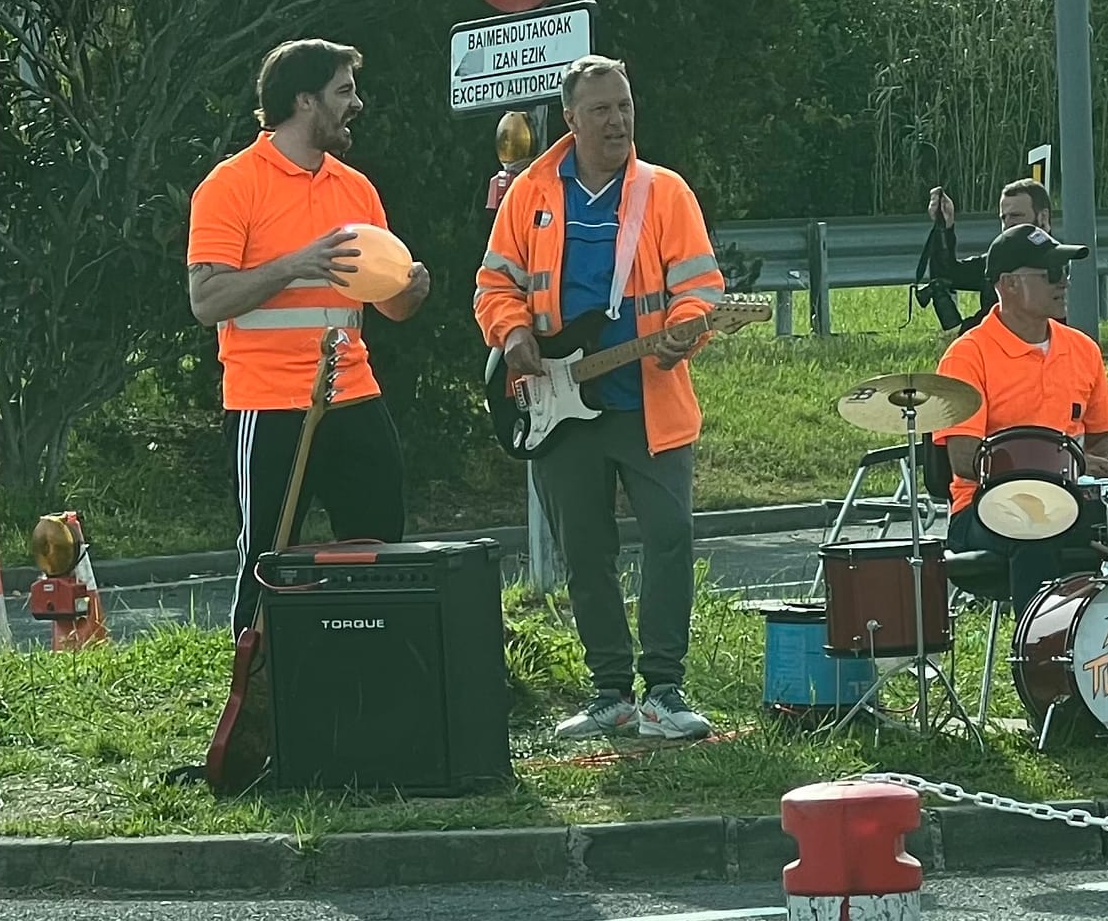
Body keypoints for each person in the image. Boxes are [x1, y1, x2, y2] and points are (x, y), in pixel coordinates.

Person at [474, 55, 725, 741]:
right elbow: (493, 285)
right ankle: (610, 690)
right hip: (557, 406)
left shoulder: (664, 192)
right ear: (572, 120)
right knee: (585, 551)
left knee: (670, 539)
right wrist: (513, 332)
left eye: (625, 105)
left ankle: (666, 689)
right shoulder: (531, 192)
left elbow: (702, 289)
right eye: (603, 109)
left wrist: (683, 333)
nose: (618, 120)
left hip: (649, 397)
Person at [186, 39, 430, 630]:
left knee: (379, 555)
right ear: (304, 101)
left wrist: (411, 288)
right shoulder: (230, 185)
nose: (357, 104)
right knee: (267, 558)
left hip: (355, 396)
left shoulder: (357, 189)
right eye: (343, 92)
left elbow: (390, 308)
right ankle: (259, 693)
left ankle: (372, 688)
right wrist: (294, 264)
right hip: (266, 406)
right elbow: (206, 301)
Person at [932, 224, 1108, 613]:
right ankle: (1038, 656)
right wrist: (1069, 465)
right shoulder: (967, 355)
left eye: (1065, 272)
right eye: (1051, 273)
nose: (1064, 282)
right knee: (1036, 525)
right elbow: (965, 461)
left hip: (1071, 500)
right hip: (983, 510)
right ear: (1009, 284)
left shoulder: (1083, 349)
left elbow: (1104, 438)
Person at [922, 178, 1054, 330]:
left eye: (1016, 216)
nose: (1008, 224)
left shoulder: (1065, 267)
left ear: (1043, 218)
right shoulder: (997, 263)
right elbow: (947, 274)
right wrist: (944, 227)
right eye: (1004, 218)